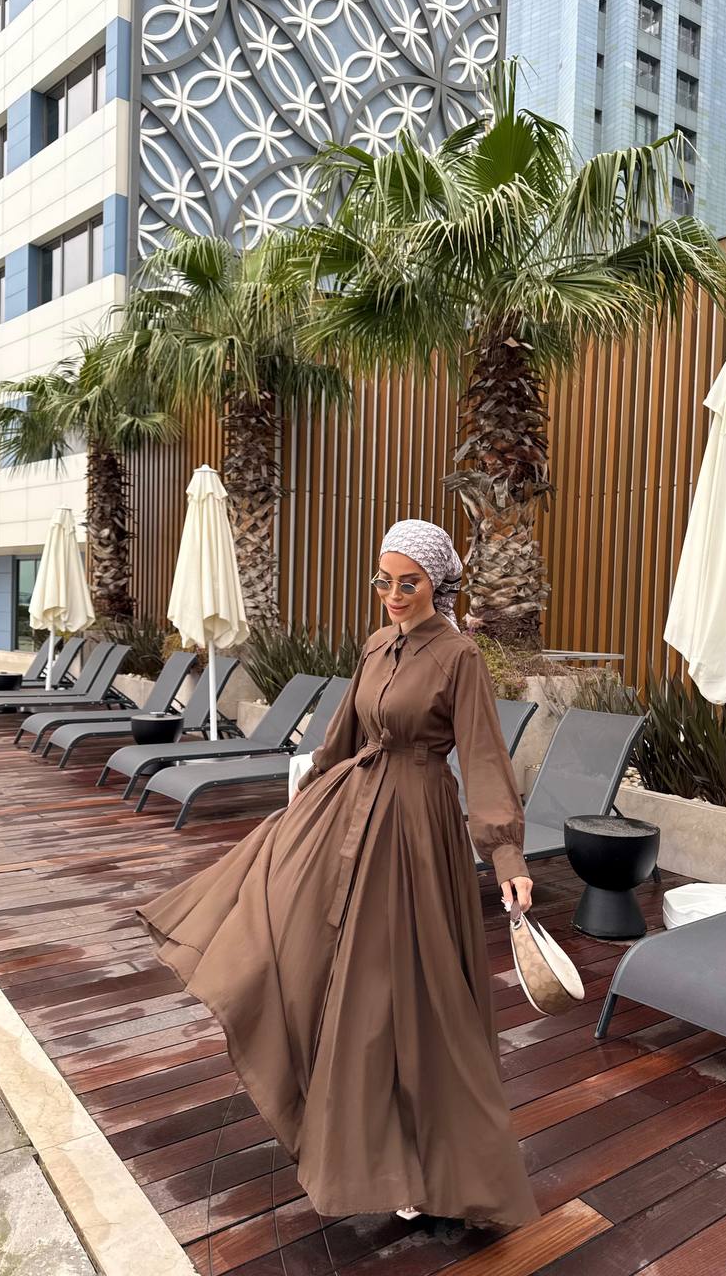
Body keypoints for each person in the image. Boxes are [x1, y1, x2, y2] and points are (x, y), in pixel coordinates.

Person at [138, 518, 539, 1228]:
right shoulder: (377, 645)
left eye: (409, 583)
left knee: (410, 990)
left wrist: (506, 853)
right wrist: (309, 793)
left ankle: (429, 1157)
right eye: (384, 581)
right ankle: (368, 1143)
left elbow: (483, 760)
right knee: (320, 955)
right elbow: (344, 733)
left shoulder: (459, 657)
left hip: (417, 830)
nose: (394, 595)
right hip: (352, 811)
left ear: (437, 584)